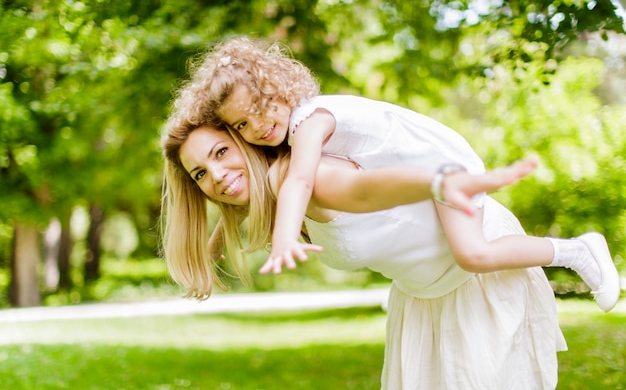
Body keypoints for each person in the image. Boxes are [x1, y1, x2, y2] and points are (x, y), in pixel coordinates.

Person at [173, 36, 620, 312]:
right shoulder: (283, 143)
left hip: (441, 168)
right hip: (426, 205)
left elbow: (302, 183)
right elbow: (242, 208)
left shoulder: (310, 125)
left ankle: (575, 251)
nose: (259, 127)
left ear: (278, 88)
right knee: (471, 254)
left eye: (261, 109)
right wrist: (204, 260)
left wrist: (288, 235)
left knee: (473, 253)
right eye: (244, 125)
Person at [160, 118, 568, 389]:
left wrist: (442, 181)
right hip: (421, 296)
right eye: (199, 173)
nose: (215, 176)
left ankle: (575, 252)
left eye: (220, 153)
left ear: (247, 143)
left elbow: (366, 189)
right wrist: (204, 255)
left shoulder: (312, 178)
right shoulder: (277, 191)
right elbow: (230, 205)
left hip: (476, 273)